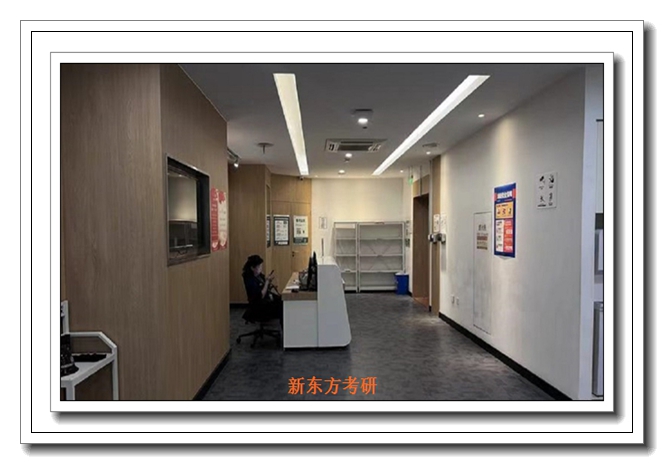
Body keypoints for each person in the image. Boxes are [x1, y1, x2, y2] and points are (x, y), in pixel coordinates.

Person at [242, 255, 283, 328]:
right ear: (252, 268)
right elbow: (261, 295)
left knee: (282, 299)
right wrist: (266, 282)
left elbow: (264, 288)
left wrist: (269, 283)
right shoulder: (250, 280)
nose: (261, 268)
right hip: (259, 306)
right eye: (259, 267)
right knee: (281, 306)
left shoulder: (259, 276)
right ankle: (283, 328)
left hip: (266, 301)